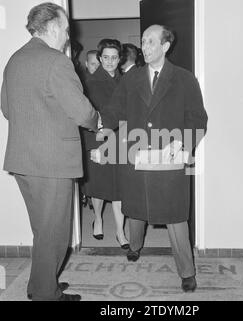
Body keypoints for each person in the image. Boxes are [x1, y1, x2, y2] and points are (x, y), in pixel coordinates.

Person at [92, 25, 208, 292]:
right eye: (143, 41)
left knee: (175, 216)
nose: (145, 46)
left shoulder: (184, 78)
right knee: (136, 206)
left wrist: (184, 142)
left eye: (151, 41)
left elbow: (197, 117)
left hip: (170, 156)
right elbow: (114, 110)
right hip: (137, 154)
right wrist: (102, 130)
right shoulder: (130, 79)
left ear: (165, 46)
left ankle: (187, 272)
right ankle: (134, 246)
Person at [0, 2, 100, 301]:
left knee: (43, 231)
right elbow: (82, 111)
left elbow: (6, 109)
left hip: (22, 161)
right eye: (66, 30)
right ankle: (46, 295)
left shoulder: (14, 60)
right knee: (55, 234)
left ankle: (42, 285)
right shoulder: (57, 61)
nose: (68, 37)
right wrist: (98, 121)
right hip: (52, 162)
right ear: (54, 27)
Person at [81, 39, 129, 249]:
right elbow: (87, 117)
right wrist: (93, 146)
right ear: (100, 59)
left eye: (114, 57)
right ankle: (98, 219)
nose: (110, 62)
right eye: (106, 57)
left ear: (120, 59)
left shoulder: (126, 81)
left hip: (122, 141)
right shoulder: (90, 83)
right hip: (100, 141)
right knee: (99, 187)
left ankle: (120, 232)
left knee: (120, 188)